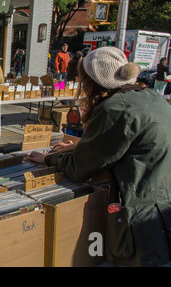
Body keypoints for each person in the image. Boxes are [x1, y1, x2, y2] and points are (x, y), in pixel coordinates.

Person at [27, 46, 171, 267]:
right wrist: (78, 147)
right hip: (162, 211)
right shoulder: (152, 97)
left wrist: (49, 159)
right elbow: (133, 145)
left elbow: (79, 169)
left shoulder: (116, 108)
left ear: (94, 80)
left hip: (140, 224)